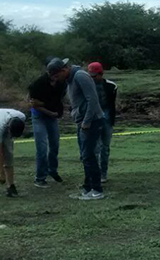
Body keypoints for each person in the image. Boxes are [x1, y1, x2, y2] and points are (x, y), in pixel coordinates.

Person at [28, 58, 70, 188]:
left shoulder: (62, 84)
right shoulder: (37, 84)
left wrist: (50, 109)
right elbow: (33, 104)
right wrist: (49, 111)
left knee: (55, 145)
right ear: (53, 74)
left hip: (52, 115)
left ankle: (53, 170)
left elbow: (58, 101)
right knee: (42, 147)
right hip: (39, 116)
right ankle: (40, 177)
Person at [67, 63, 106, 201]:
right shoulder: (72, 79)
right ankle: (88, 187)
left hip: (90, 122)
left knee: (89, 155)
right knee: (85, 156)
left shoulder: (80, 76)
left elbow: (93, 100)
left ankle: (97, 189)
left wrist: (87, 121)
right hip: (82, 121)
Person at [88, 62, 117, 183]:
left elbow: (112, 103)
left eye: (95, 76)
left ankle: (103, 173)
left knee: (105, 147)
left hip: (107, 117)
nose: (93, 78)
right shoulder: (88, 85)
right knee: (95, 147)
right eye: (91, 76)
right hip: (94, 117)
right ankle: (95, 173)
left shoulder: (111, 86)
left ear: (101, 74)